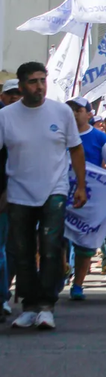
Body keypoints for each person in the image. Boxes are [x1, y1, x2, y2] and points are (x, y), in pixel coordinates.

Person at [2, 62, 87, 330]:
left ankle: (47, 306)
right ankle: (28, 306)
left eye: (42, 80)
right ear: (21, 86)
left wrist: (81, 186)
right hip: (19, 190)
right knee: (22, 250)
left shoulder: (61, 112)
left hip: (55, 188)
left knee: (51, 247)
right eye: (33, 82)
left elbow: (76, 149)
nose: (39, 86)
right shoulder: (6, 116)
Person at [64, 97, 106, 300]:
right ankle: (61, 270)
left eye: (79, 110)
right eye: (71, 110)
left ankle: (78, 284)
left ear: (89, 114)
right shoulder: (60, 134)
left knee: (84, 242)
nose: (75, 113)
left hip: (88, 197)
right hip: (61, 192)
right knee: (55, 238)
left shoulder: (99, 138)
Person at [0, 78, 18, 319]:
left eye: (18, 93)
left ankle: (2, 297)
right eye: (10, 94)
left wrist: (5, 192)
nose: (15, 97)